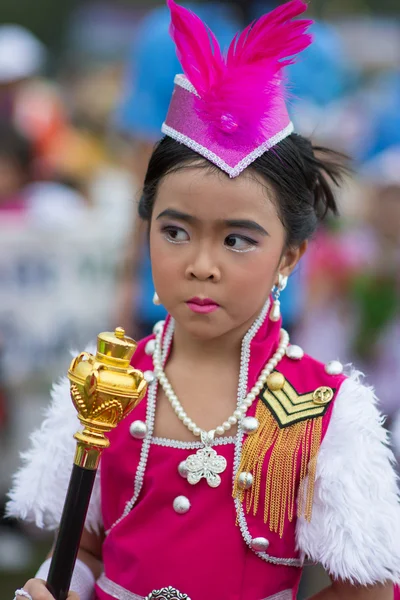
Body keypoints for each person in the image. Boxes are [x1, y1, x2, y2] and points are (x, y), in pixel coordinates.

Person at [6, 1, 400, 599]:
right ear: (145, 230)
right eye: (174, 231)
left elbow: (366, 589)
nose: (201, 263)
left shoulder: (323, 411)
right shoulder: (106, 384)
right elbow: (84, 546)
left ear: (290, 255)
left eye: (238, 239)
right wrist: (52, 585)